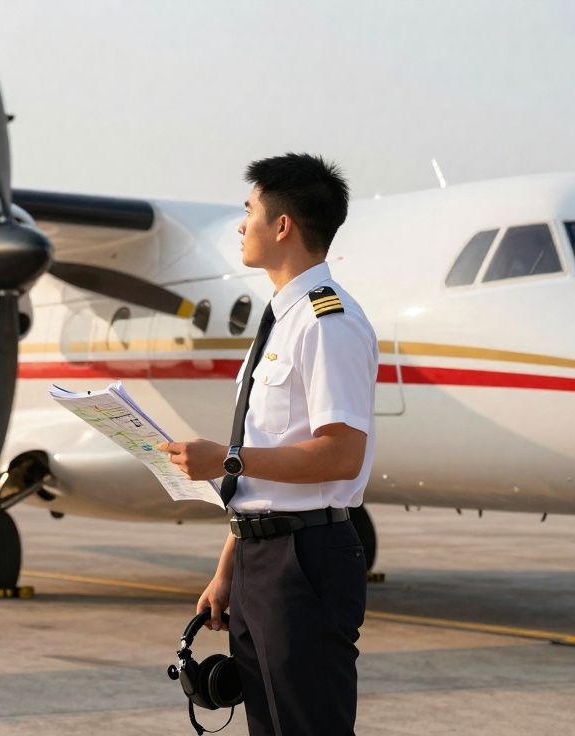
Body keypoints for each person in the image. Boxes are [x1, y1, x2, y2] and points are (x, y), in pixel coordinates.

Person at [159, 153, 376, 735]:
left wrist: (225, 459)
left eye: (249, 210)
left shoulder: (327, 322)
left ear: (283, 226)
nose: (240, 224)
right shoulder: (283, 320)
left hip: (304, 562)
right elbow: (266, 474)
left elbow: (340, 453)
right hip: (261, 559)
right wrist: (229, 567)